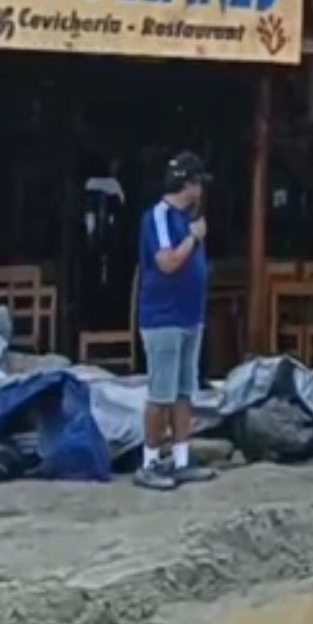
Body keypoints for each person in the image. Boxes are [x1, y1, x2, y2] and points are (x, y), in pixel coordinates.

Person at [134, 152, 218, 491]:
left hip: (188, 316)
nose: (202, 191)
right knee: (161, 393)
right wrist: (194, 238)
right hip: (163, 318)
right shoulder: (159, 217)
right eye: (199, 183)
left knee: (184, 391)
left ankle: (181, 458)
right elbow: (167, 262)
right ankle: (150, 461)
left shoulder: (185, 218)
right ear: (189, 184)